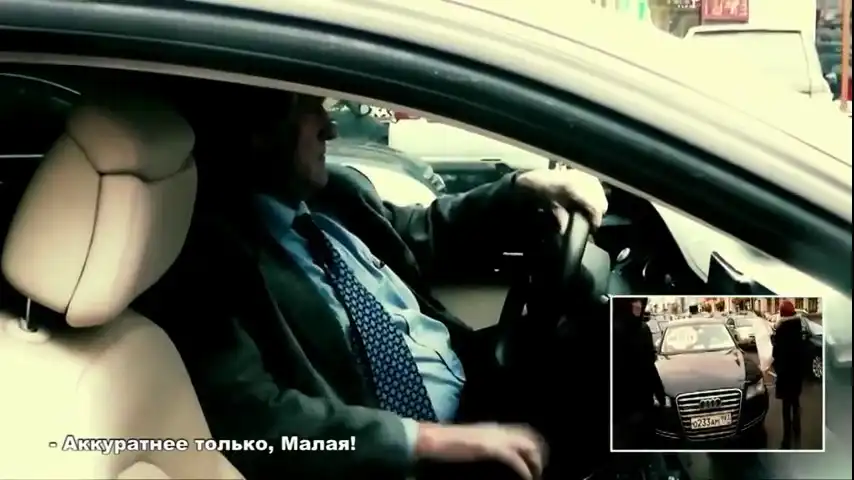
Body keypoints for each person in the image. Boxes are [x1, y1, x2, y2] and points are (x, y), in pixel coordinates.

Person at [152, 93, 608, 480]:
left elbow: (422, 231)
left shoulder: (334, 194)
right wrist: (428, 441)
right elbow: (258, 420)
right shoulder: (204, 259)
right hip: (400, 455)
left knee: (611, 345)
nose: (330, 128)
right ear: (256, 131)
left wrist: (524, 188)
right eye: (309, 110)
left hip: (475, 383)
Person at [610, 298, 670, 479]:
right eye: (634, 302)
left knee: (649, 453)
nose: (638, 306)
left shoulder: (643, 330)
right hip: (621, 409)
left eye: (641, 302)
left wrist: (660, 394)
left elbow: (650, 366)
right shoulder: (613, 330)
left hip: (643, 405)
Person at [772, 300, 807, 448]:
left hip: (785, 374)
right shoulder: (799, 326)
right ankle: (797, 428)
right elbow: (803, 350)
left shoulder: (781, 330)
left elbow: (776, 353)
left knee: (786, 406)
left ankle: (787, 437)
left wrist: (773, 340)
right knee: (795, 401)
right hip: (796, 373)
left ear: (782, 313)